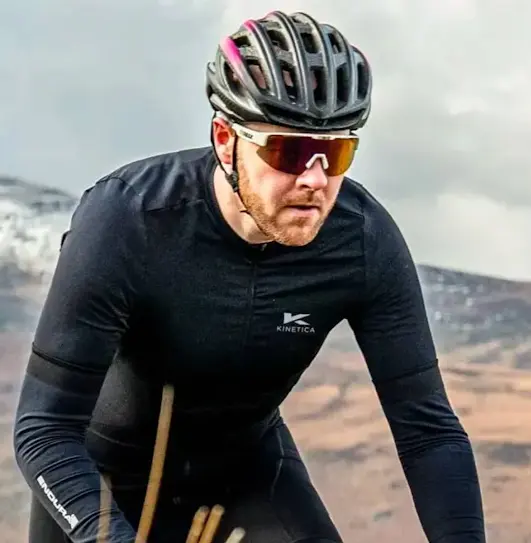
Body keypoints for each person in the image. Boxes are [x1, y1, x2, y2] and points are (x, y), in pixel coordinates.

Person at [13, 10, 486, 543]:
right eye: (289, 151)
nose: (315, 179)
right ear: (224, 138)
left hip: (247, 482)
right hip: (99, 485)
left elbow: (428, 433)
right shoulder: (130, 219)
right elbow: (44, 430)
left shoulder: (361, 240)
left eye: (336, 152)